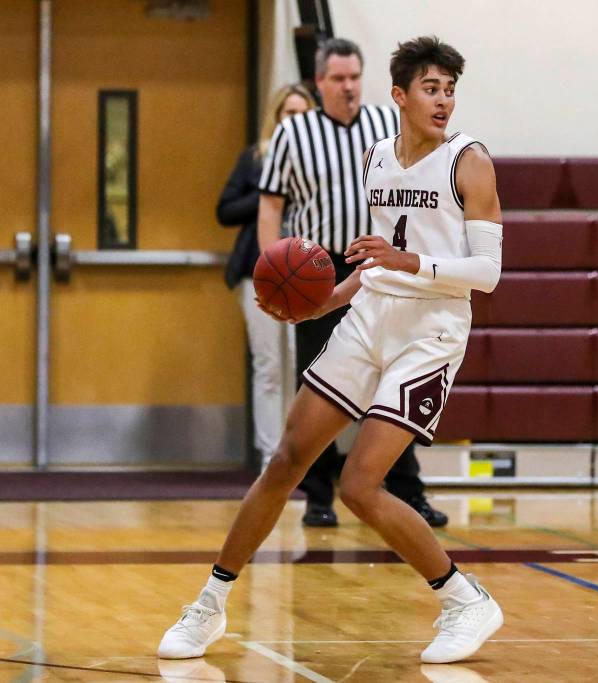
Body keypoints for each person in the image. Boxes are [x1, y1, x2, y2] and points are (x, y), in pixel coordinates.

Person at [158, 35, 504, 664]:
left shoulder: (469, 161)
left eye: (450, 89)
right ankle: (208, 605)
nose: (444, 100)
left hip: (432, 332)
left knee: (359, 485)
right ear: (399, 96)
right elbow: (375, 268)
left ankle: (464, 599)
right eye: (431, 88)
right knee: (287, 457)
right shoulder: (378, 157)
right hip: (370, 316)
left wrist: (410, 260)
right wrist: (325, 301)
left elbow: (486, 273)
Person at [256, 37, 447, 528]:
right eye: (338, 78)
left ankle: (408, 493)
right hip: (315, 273)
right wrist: (272, 269)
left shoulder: (387, 123)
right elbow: (271, 205)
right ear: (319, 83)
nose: (348, 86)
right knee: (317, 384)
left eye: (354, 77)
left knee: (391, 383)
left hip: (379, 268)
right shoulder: (294, 132)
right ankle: (318, 497)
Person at [216, 83, 315, 471]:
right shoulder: (255, 160)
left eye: (303, 113)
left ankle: (301, 453)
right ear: (276, 118)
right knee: (269, 365)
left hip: (307, 275)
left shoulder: (321, 166)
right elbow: (224, 211)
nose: (296, 121)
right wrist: (268, 193)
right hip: (261, 273)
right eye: (289, 114)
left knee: (304, 365)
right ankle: (270, 455)